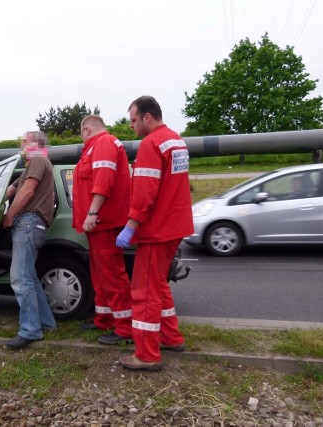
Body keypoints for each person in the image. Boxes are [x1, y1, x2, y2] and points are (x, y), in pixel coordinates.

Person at [115, 96, 194, 371]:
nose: (132, 126)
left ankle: (147, 354)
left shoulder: (151, 144)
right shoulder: (176, 140)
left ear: (147, 117)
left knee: (144, 291)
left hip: (156, 229)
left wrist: (130, 226)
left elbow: (145, 192)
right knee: (159, 284)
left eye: (133, 120)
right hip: (176, 224)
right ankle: (171, 337)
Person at [72, 115, 133, 344]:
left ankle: (125, 328)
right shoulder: (96, 147)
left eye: (81, 133)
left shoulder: (103, 143)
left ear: (87, 129)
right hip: (99, 226)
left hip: (104, 223)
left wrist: (92, 213)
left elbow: (103, 180)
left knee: (112, 275)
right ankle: (105, 318)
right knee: (100, 274)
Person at [2, 131, 56, 349]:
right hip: (32, 224)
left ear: (35, 144)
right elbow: (11, 190)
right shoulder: (31, 167)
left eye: (24, 143)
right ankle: (45, 322)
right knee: (30, 278)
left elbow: (26, 192)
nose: (22, 148)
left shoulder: (38, 160)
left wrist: (9, 215)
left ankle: (30, 330)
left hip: (28, 223)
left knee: (20, 279)